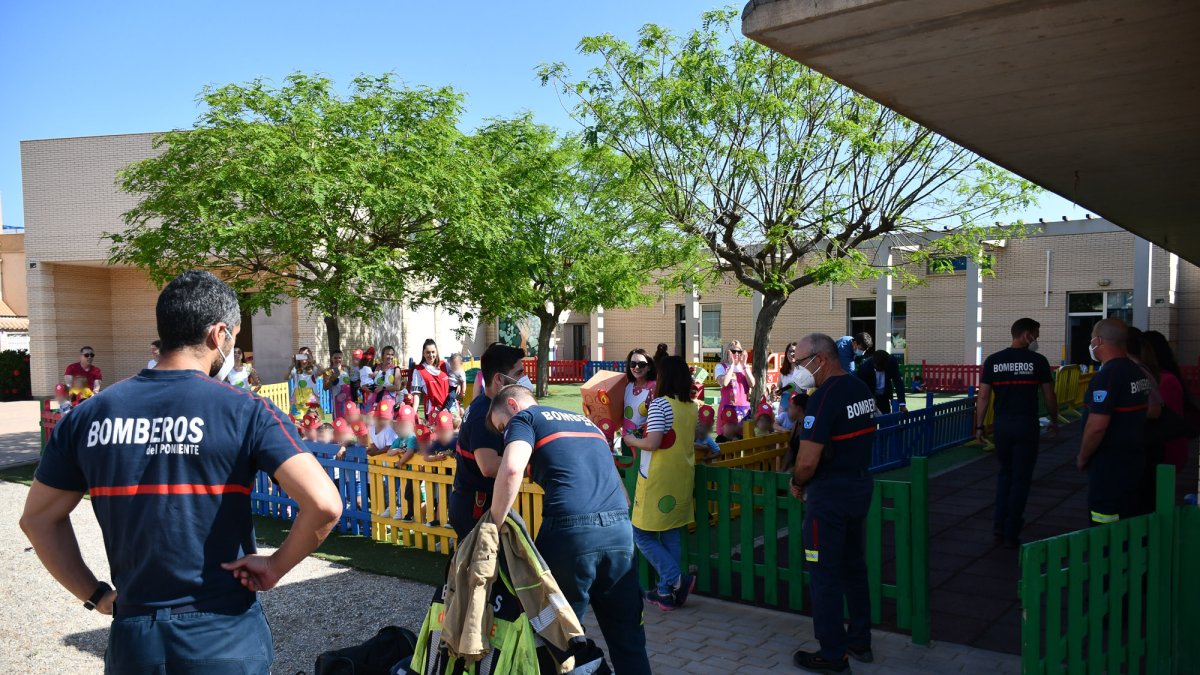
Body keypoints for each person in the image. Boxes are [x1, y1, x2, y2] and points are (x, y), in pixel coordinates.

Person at [20, 270, 342, 674]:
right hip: (223, 631)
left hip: (136, 638)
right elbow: (325, 504)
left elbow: (37, 519)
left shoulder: (87, 417)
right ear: (218, 334)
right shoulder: (246, 410)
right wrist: (275, 567)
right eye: (234, 339)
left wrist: (98, 595)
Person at [487, 385, 652, 675]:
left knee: (555, 638)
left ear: (512, 404)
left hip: (570, 534)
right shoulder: (586, 423)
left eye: (502, 427)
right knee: (628, 640)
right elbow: (622, 492)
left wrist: (492, 526)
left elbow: (511, 469)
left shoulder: (525, 420)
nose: (505, 434)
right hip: (619, 531)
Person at [790, 333, 875, 673]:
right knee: (854, 567)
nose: (796, 369)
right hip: (858, 486)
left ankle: (832, 653)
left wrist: (797, 482)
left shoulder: (824, 397)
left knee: (823, 573)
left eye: (800, 362)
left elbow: (808, 460)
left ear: (821, 359)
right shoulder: (859, 388)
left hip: (829, 494)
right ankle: (859, 640)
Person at [622, 355, 698, 612]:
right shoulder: (691, 406)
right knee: (671, 531)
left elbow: (652, 443)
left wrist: (630, 440)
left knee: (640, 533)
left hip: (658, 477)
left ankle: (676, 579)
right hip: (682, 477)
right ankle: (666, 592)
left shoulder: (660, 405)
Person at [974, 318, 1057, 549]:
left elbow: (983, 397)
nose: (1037, 341)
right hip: (1026, 425)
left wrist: (979, 426)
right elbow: (1049, 395)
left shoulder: (993, 361)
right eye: (1036, 336)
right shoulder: (1038, 361)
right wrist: (1053, 419)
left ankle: (999, 524)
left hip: (1002, 426)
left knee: (1005, 475)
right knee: (1021, 478)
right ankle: (1012, 529)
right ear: (1027, 335)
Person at [447, 342, 528, 539]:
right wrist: (529, 467)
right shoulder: (484, 414)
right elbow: (489, 466)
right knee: (481, 568)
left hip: (478, 504)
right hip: (476, 508)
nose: (524, 379)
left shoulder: (486, 406)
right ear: (499, 379)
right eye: (518, 373)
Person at [1076, 318, 1152, 525]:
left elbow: (1097, 426)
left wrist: (1083, 456)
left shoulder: (1108, 376)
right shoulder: (1136, 371)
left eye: (1092, 338)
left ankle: (1107, 555)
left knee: (1105, 523)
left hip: (1109, 466)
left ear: (1099, 341)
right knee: (1128, 519)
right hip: (1133, 460)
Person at [1143, 330, 1191, 472]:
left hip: (1165, 452)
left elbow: (1156, 414)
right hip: (1165, 448)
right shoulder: (1165, 378)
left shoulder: (1165, 380)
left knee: (1159, 492)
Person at [855, 349, 908, 415]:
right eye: (878, 366)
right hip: (870, 397)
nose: (880, 368)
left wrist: (902, 404)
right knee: (870, 419)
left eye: (882, 366)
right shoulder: (865, 366)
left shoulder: (892, 362)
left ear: (887, 363)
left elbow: (898, 383)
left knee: (886, 417)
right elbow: (862, 386)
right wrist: (870, 398)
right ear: (874, 363)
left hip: (884, 397)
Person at [715, 340, 755, 424]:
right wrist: (732, 365)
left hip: (744, 410)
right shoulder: (721, 367)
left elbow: (752, 384)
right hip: (728, 410)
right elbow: (724, 382)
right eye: (733, 351)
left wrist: (744, 366)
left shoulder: (745, 367)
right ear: (728, 352)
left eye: (739, 351)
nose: (736, 354)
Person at [411, 339, 450, 420]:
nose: (431, 355)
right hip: (433, 412)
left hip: (449, 408)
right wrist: (414, 412)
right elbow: (417, 394)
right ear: (423, 353)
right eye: (428, 352)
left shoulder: (445, 365)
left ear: (436, 352)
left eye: (433, 352)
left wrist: (460, 384)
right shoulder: (419, 370)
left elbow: (457, 377)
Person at [622, 348, 658, 436]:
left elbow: (658, 416)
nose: (636, 367)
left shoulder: (654, 387)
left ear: (649, 367)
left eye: (641, 364)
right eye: (633, 364)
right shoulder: (626, 384)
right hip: (626, 437)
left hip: (644, 440)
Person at [321, 350, 354, 419]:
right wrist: (332, 378)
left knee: (350, 422)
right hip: (337, 401)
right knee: (339, 422)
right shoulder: (328, 371)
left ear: (342, 358)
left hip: (349, 400)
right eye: (335, 358)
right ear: (331, 359)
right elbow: (325, 387)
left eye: (339, 358)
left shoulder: (347, 369)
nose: (337, 360)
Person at [777, 341, 801, 407]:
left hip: (799, 406)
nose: (791, 353)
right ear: (786, 354)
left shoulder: (804, 371)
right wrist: (778, 391)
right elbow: (778, 387)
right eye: (789, 351)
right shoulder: (782, 372)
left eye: (794, 351)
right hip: (784, 407)